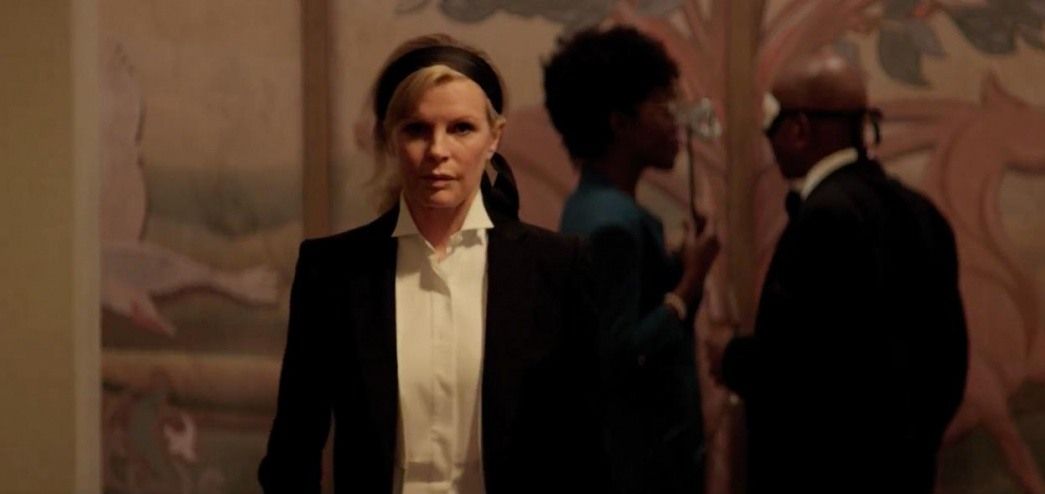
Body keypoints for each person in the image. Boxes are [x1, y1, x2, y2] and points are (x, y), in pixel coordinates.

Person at [258, 34, 607, 494]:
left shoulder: (557, 267)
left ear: (494, 137)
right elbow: (293, 451)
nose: (438, 150)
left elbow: (590, 448)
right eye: (417, 129)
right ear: (390, 137)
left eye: (461, 128)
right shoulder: (334, 271)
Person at [708, 48, 969, 492]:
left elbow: (801, 369)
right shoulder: (919, 210)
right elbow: (947, 360)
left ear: (799, 129)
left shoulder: (825, 217)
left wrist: (730, 358)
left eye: (770, 123)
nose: (768, 139)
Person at [543, 26, 720, 494]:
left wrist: (678, 267)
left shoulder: (594, 206)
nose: (676, 121)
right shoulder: (612, 224)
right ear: (619, 123)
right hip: (640, 464)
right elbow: (618, 355)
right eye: (662, 106)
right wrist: (691, 281)